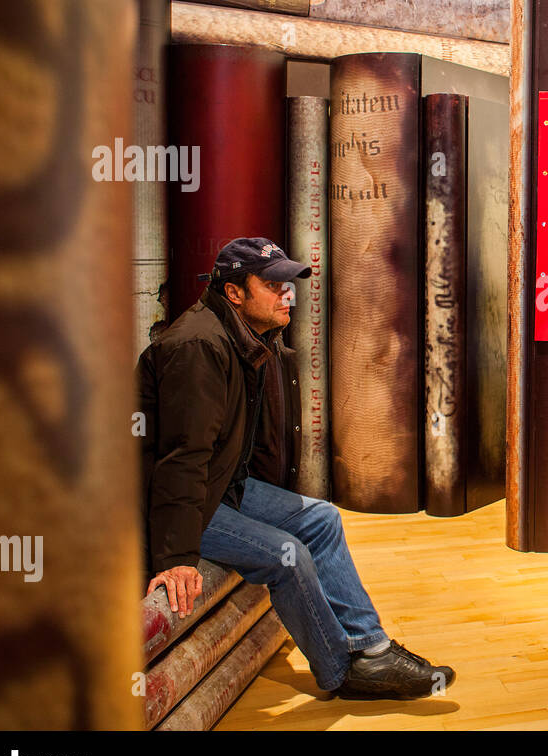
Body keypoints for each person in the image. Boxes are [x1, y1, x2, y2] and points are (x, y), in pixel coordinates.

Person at [137, 236, 455, 701]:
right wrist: (176, 559)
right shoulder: (199, 347)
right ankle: (342, 673)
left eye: (288, 283)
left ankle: (373, 649)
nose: (288, 294)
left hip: (223, 486)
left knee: (321, 519)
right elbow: (182, 460)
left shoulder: (246, 335)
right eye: (272, 284)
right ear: (234, 293)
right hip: (176, 503)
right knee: (288, 554)